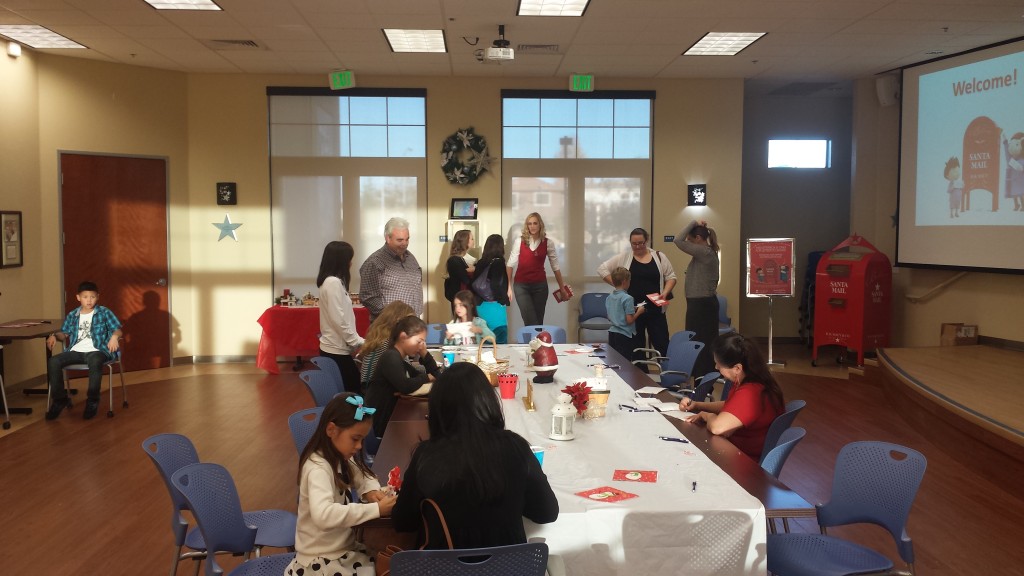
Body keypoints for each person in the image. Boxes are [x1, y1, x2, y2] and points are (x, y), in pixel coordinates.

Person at [392, 363, 558, 548]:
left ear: (437, 408)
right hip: (508, 568)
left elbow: (403, 522)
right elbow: (547, 513)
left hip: (442, 568)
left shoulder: (426, 455)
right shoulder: (515, 446)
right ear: (488, 401)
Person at [287, 392, 397, 576]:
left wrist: (370, 492)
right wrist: (376, 509)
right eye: (355, 439)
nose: (360, 446)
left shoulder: (339, 456)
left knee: (386, 565)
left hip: (341, 551)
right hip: (321, 560)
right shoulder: (318, 468)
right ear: (331, 430)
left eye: (362, 439)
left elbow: (363, 476)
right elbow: (324, 515)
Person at [677, 332, 784, 461]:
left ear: (737, 368)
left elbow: (718, 427)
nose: (716, 367)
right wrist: (698, 405)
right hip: (739, 450)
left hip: (743, 462)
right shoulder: (750, 379)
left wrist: (707, 415)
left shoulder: (750, 393)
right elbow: (731, 405)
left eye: (719, 365)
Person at [44, 281, 123, 420]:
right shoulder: (73, 315)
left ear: (97, 297)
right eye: (85, 297)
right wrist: (54, 336)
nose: (89, 300)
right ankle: (60, 399)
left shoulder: (104, 312)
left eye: (92, 297)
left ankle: (92, 400)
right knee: (54, 361)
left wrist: (115, 337)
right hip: (76, 351)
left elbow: (117, 329)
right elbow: (64, 333)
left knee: (95, 360)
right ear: (78, 297)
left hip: (98, 350)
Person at [597, 227, 677, 362]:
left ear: (647, 241)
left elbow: (671, 277)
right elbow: (602, 269)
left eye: (641, 243)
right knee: (636, 345)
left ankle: (667, 375)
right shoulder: (624, 257)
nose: (638, 246)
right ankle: (639, 376)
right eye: (634, 244)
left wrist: (665, 293)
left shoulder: (659, 256)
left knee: (661, 342)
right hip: (632, 308)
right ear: (630, 243)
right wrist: (618, 286)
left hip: (656, 307)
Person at [364, 316, 440, 436]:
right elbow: (405, 386)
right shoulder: (390, 357)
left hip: (390, 417)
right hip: (380, 423)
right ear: (403, 337)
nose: (421, 346)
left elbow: (437, 375)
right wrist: (427, 377)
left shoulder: (400, 359)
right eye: (419, 341)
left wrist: (424, 354)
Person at [673, 219, 720, 379]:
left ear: (698, 239)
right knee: (696, 341)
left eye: (691, 240)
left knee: (702, 343)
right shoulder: (704, 253)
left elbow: (677, 240)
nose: (688, 243)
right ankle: (699, 376)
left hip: (702, 306)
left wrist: (692, 222)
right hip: (699, 304)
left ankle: (704, 378)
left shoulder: (705, 252)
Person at [317, 240, 364, 393]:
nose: (351, 263)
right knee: (354, 393)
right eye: (349, 259)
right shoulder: (332, 283)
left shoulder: (333, 282)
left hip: (337, 349)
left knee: (352, 391)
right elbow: (339, 319)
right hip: (335, 350)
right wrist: (356, 341)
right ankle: (356, 418)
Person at [506, 212, 568, 326]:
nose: (532, 226)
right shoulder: (519, 241)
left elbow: (556, 267)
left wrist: (562, 288)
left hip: (540, 287)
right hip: (521, 286)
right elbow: (510, 265)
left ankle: (535, 344)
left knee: (538, 323)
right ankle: (532, 343)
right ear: (526, 226)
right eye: (529, 224)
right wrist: (508, 287)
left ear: (540, 225)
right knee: (530, 322)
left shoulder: (548, 243)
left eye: (535, 223)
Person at [359, 217, 422, 322]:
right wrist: (392, 317)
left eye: (407, 239)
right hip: (388, 327)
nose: (404, 244)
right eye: (400, 240)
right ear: (388, 238)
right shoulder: (374, 262)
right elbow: (368, 297)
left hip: (412, 323)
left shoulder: (411, 258)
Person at [357, 301, 416, 391]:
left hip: (370, 391)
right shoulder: (388, 344)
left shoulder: (379, 338)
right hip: (377, 396)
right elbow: (404, 377)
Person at [472, 234, 511, 344]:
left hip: (480, 306)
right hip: (495, 308)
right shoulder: (498, 262)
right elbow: (496, 284)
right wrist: (503, 300)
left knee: (483, 343)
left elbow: (474, 284)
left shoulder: (480, 262)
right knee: (499, 342)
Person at [605, 267, 645, 361]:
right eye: (629, 281)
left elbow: (609, 317)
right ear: (625, 282)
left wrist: (632, 309)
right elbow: (629, 321)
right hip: (624, 334)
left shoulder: (609, 297)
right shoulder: (628, 298)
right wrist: (639, 312)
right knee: (624, 362)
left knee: (614, 360)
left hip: (612, 333)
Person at [443, 229, 476, 315]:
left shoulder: (464, 259)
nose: (473, 241)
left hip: (464, 299)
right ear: (465, 241)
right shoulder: (454, 260)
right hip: (460, 301)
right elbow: (466, 280)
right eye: (472, 239)